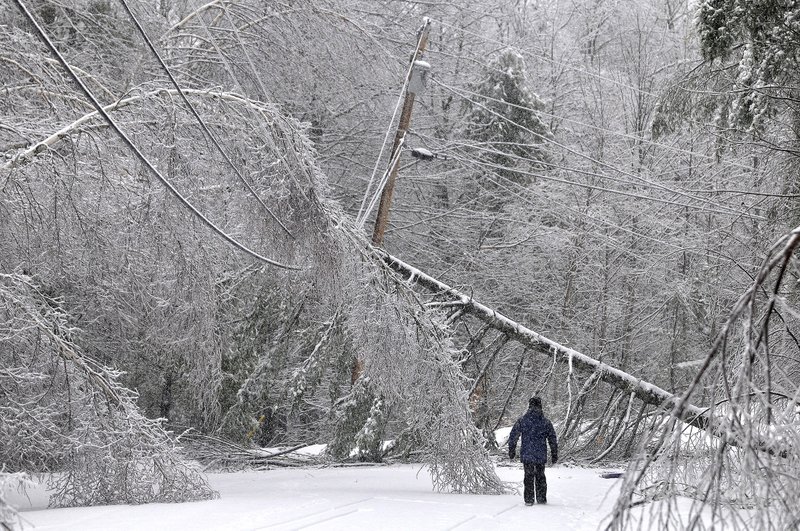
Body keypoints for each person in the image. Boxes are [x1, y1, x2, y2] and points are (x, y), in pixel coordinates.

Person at [508, 396, 558, 505]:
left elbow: (513, 436)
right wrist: (554, 453)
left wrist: (512, 450)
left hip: (527, 453)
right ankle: (541, 499)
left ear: (529, 406)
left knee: (528, 476)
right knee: (540, 476)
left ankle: (529, 500)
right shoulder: (545, 422)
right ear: (540, 406)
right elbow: (552, 439)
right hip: (540, 454)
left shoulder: (522, 420)